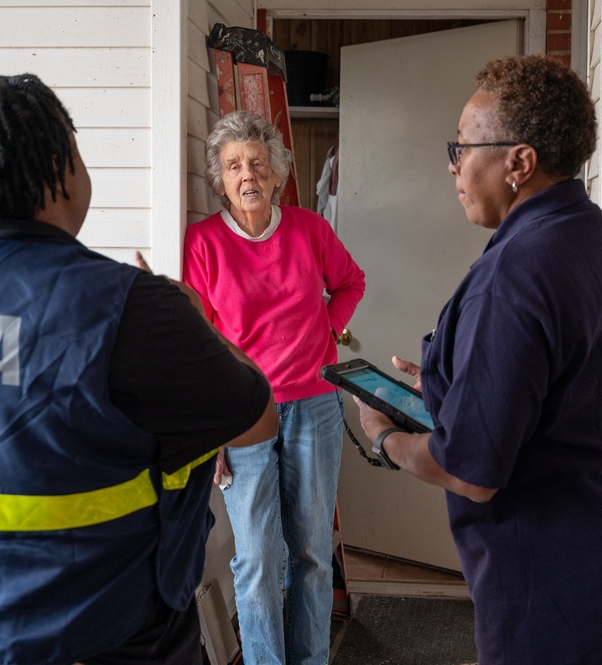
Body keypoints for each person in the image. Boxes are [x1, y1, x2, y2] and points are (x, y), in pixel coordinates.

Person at [0, 73, 279, 665]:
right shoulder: (129, 306)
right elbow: (258, 417)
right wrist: (195, 317)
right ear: (60, 166)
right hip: (107, 644)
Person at [353, 55, 602, 665]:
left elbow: (473, 473)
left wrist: (384, 439)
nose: (452, 165)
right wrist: (451, 381)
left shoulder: (515, 274)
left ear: (520, 161)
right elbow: (582, 390)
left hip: (559, 593)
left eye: (462, 147)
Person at [183, 110, 365, 665]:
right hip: (243, 414)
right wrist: (211, 432)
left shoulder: (310, 229)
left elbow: (350, 283)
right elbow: (199, 343)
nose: (248, 175)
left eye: (258, 162)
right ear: (219, 178)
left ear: (277, 171)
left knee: (310, 551)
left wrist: (328, 330)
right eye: (235, 165)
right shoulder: (204, 243)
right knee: (258, 557)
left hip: (315, 404)